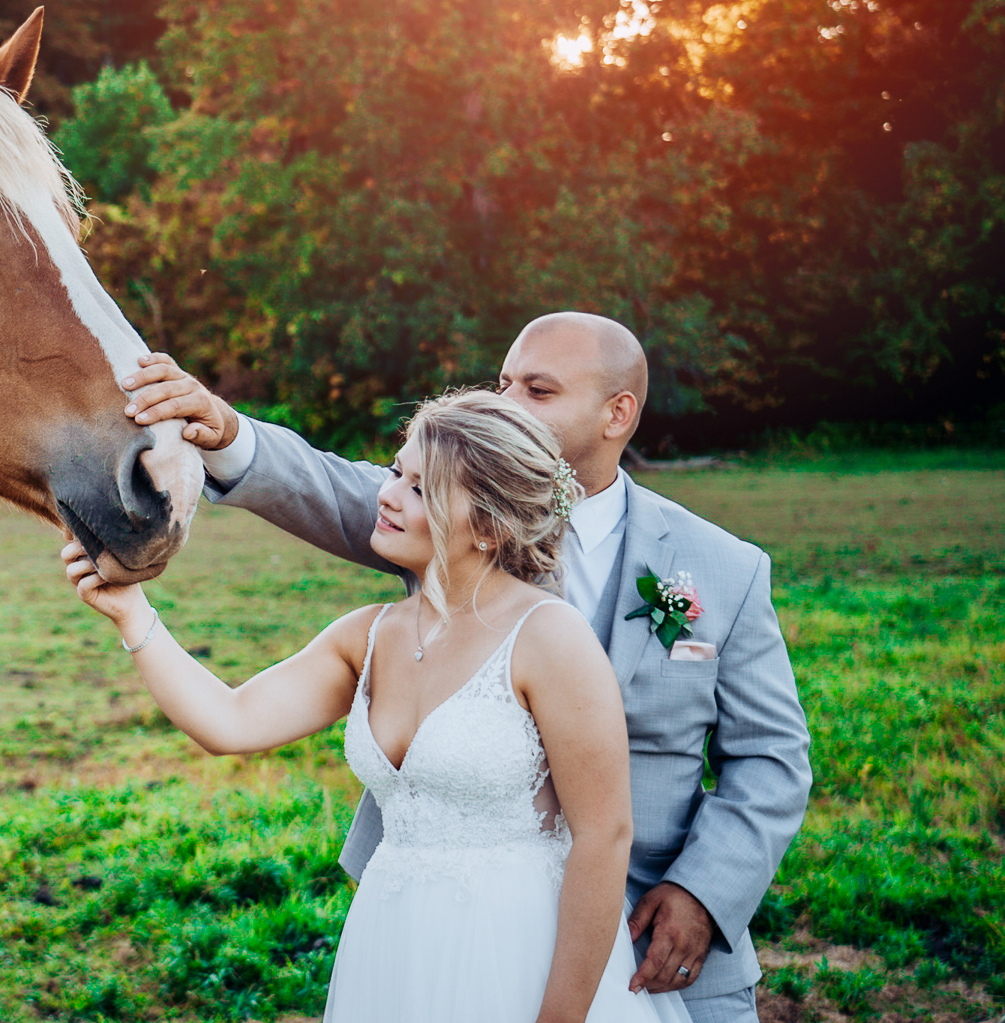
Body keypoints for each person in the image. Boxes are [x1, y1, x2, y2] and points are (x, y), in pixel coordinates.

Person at [112, 312, 811, 1023]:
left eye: (538, 390)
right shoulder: (427, 512)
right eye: (503, 383)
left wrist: (703, 891)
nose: (507, 403)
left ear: (617, 414)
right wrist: (227, 434)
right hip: (426, 932)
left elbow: (771, 755)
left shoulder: (723, 568)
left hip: (663, 936)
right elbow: (328, 490)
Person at [67, 389, 689, 1022]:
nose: (388, 495)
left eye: (420, 489)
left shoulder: (549, 637)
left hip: (515, 951)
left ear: (489, 525)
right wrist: (132, 613)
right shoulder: (367, 635)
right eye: (396, 473)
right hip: (393, 945)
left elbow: (603, 836)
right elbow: (230, 721)